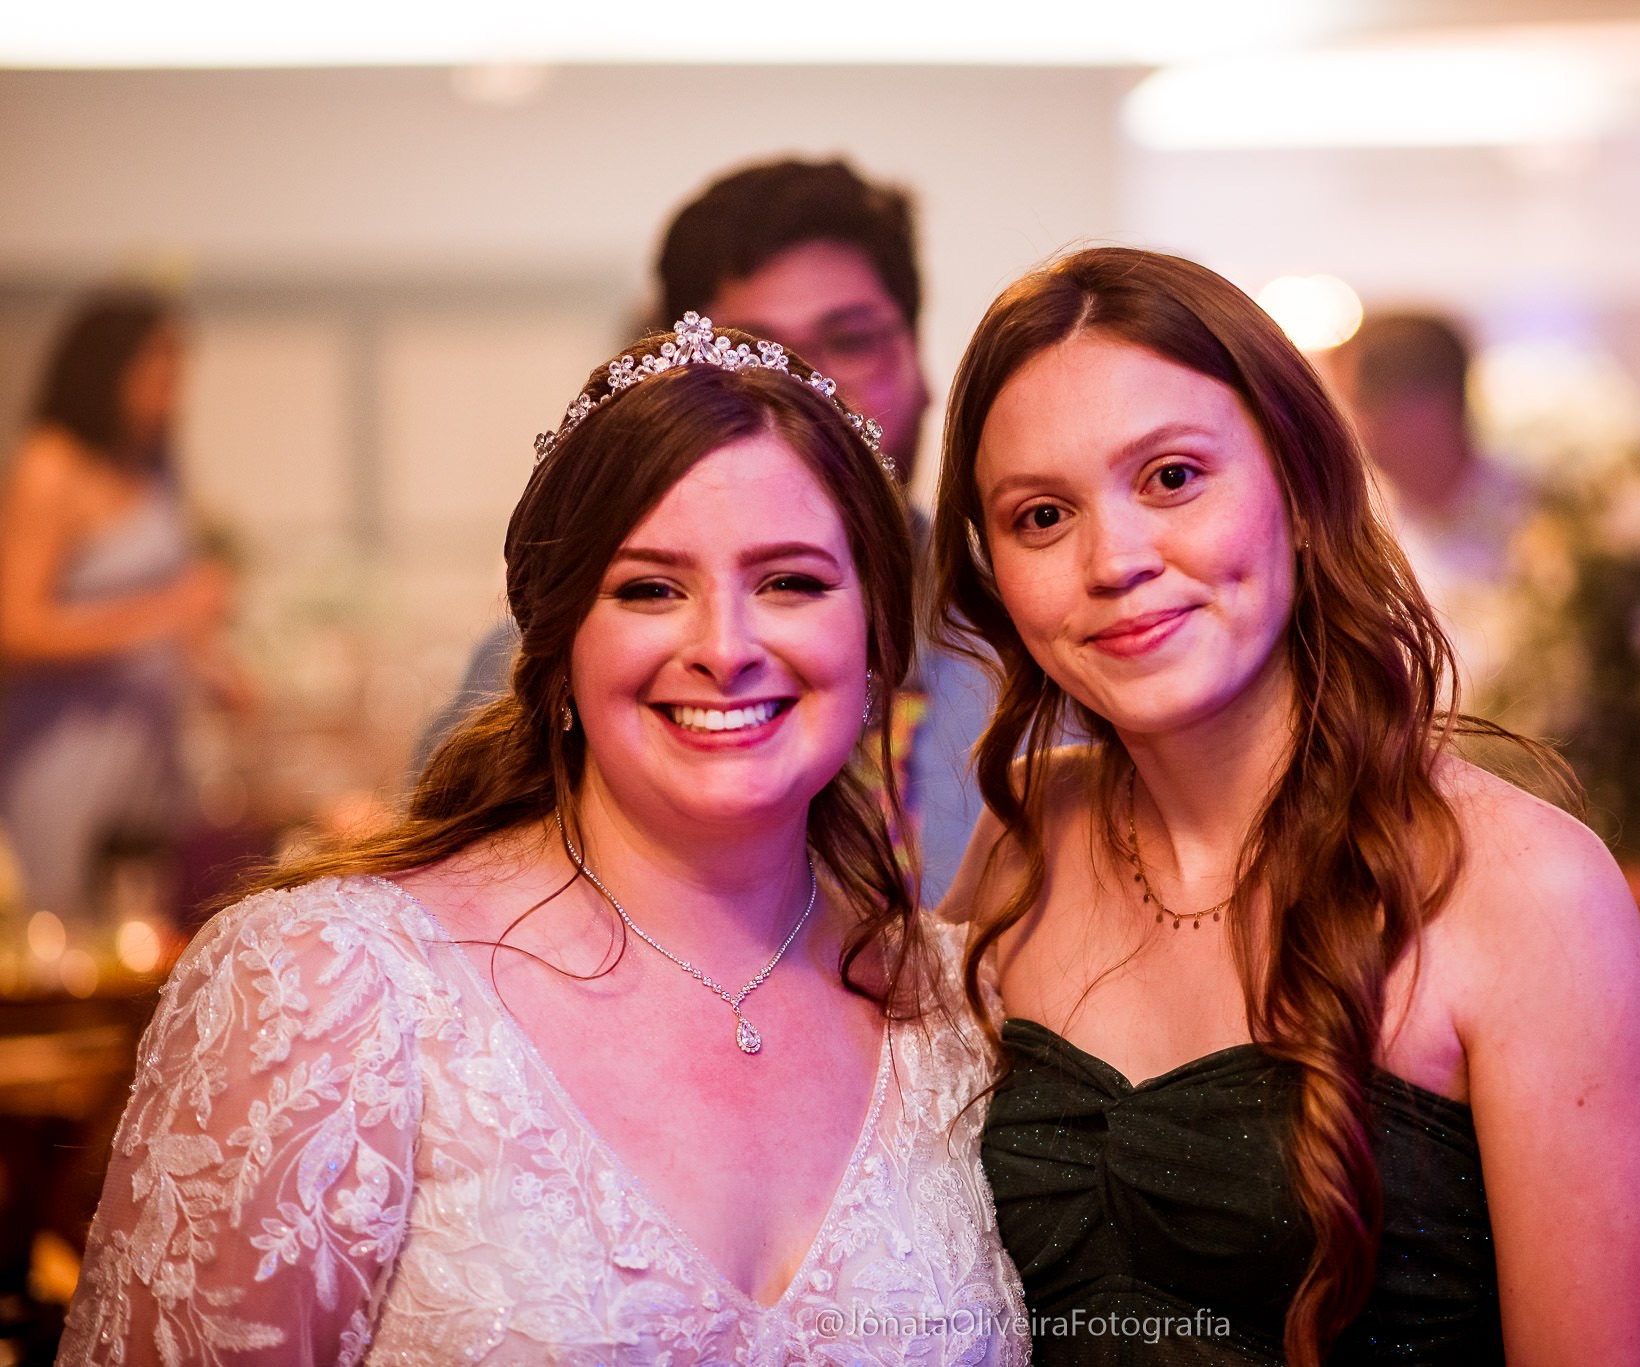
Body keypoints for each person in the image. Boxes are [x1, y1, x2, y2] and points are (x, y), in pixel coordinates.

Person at [59, 318, 1027, 1365]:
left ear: (879, 641)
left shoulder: (957, 1006)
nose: (725, 647)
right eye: (649, 587)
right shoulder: (327, 988)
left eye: (789, 581)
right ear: (557, 648)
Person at [932, 249, 1640, 1365]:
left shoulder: (1529, 893)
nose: (1114, 558)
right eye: (1041, 515)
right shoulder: (1022, 838)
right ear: (992, 567)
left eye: (1172, 476)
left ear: (1296, 483)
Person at [421, 158, 990, 899]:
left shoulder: (1034, 645)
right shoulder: (544, 663)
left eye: (849, 341)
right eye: (756, 352)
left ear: (921, 363)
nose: (807, 393)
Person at [0, 290, 237, 940]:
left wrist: (219, 671)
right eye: (156, 364)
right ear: (106, 369)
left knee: (152, 928)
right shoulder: (50, 464)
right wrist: (163, 611)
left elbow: (173, 609)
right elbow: (16, 628)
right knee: (74, 935)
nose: (171, 384)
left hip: (152, 747)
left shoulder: (154, 465)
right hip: (69, 750)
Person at [1338, 314, 1532, 704]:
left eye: (1362, 404)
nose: (1354, 427)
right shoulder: (1355, 530)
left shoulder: (1537, 512)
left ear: (1429, 407)